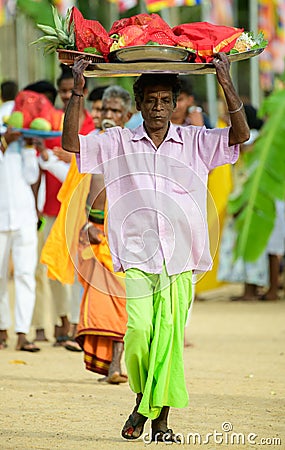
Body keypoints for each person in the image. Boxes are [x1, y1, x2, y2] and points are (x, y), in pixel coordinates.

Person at [62, 53, 249, 442]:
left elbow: (240, 136)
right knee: (139, 330)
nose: (158, 108)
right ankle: (146, 399)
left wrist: (226, 81)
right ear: (139, 104)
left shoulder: (196, 141)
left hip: (182, 256)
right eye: (151, 100)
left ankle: (157, 420)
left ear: (176, 103)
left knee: (168, 340)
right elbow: (70, 143)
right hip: (136, 253)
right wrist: (78, 92)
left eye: (166, 100)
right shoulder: (118, 141)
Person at [76, 85, 132, 382]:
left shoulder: (134, 143)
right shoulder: (93, 143)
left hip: (125, 232)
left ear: (128, 115)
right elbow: (89, 190)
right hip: (97, 231)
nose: (108, 115)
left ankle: (117, 365)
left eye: (115, 111)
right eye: (104, 110)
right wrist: (88, 224)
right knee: (102, 299)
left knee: (120, 298)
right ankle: (109, 363)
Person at [0, 124, 40, 352]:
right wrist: (4, 142)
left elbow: (32, 175)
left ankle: (23, 333)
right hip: (1, 218)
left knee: (25, 275)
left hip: (24, 217)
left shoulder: (23, 138)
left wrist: (28, 147)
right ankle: (2, 328)